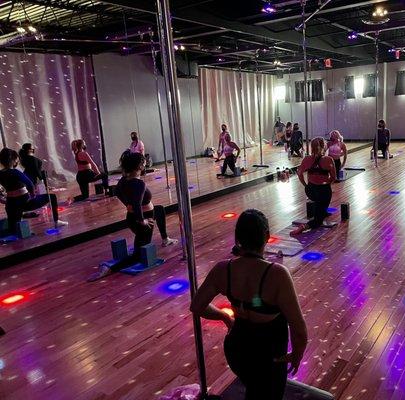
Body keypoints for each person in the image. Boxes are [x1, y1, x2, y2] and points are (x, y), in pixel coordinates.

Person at [190, 209, 308, 400]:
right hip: (267, 357)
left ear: (238, 239)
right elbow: (299, 329)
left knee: (254, 386)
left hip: (237, 350)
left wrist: (224, 316)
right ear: (267, 237)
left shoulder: (223, 269)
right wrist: (297, 355)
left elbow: (197, 306)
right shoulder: (277, 275)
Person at [88, 152, 178, 282]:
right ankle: (110, 269)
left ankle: (165, 239)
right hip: (142, 220)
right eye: (143, 162)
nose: (145, 163)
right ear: (139, 166)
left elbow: (117, 192)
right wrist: (142, 221)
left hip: (132, 218)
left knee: (159, 209)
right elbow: (136, 203)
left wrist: (126, 204)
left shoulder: (124, 180)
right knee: (138, 255)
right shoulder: (139, 184)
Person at [0, 148, 67, 234]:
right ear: (12, 160)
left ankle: (16, 231)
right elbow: (30, 184)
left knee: (13, 228)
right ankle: (56, 221)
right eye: (16, 160)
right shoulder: (15, 172)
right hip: (25, 202)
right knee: (52, 197)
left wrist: (3, 199)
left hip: (11, 204)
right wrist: (32, 195)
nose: (17, 162)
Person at [291, 137, 336, 236]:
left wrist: (305, 185)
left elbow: (299, 173)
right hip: (323, 192)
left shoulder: (307, 159)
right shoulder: (329, 160)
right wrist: (326, 183)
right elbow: (333, 177)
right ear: (324, 147)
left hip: (310, 191)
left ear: (311, 147)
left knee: (320, 206)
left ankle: (322, 211)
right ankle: (303, 227)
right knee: (318, 221)